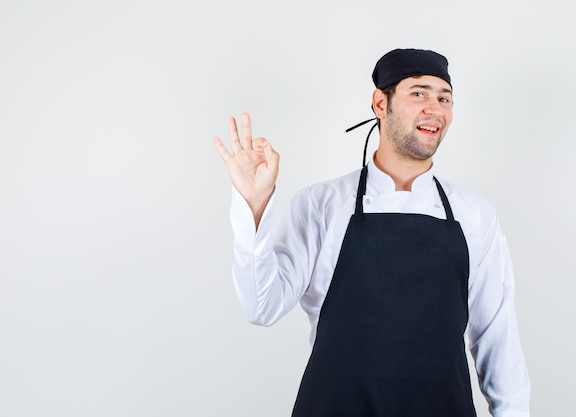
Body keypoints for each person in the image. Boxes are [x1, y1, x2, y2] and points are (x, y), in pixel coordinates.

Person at [213, 48, 531, 417]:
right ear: (381, 103)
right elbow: (261, 307)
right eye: (419, 93)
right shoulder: (320, 205)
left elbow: (497, 337)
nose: (435, 109)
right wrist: (253, 205)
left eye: (444, 98)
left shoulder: (474, 214)